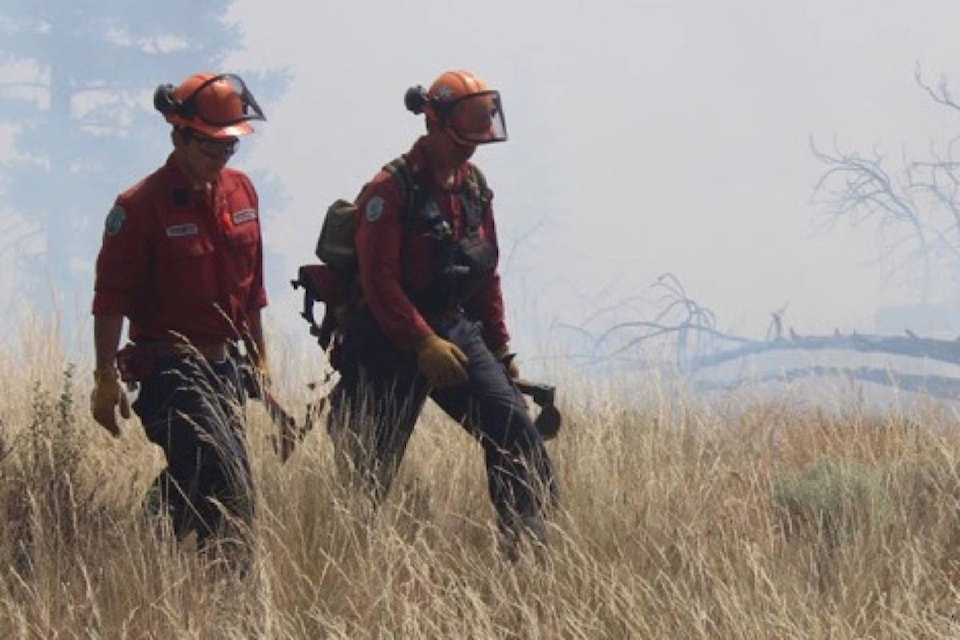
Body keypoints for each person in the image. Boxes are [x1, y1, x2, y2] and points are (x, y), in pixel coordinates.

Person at [328, 69, 557, 558]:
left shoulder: (474, 187)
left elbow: (485, 270)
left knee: (514, 429)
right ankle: (342, 567)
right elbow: (379, 281)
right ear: (433, 125)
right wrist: (421, 341)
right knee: (366, 473)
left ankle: (529, 553)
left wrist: (498, 347)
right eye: (461, 141)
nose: (469, 152)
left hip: (453, 329)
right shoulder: (389, 190)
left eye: (476, 142)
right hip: (387, 340)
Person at [90, 72, 269, 566]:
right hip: (168, 370)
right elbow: (110, 299)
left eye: (230, 147)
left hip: (225, 370)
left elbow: (253, 292)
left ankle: (208, 584)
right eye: (211, 147)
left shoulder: (242, 192)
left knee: (230, 490)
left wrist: (262, 368)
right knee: (221, 469)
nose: (221, 158)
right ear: (178, 136)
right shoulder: (138, 207)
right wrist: (104, 377)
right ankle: (156, 551)